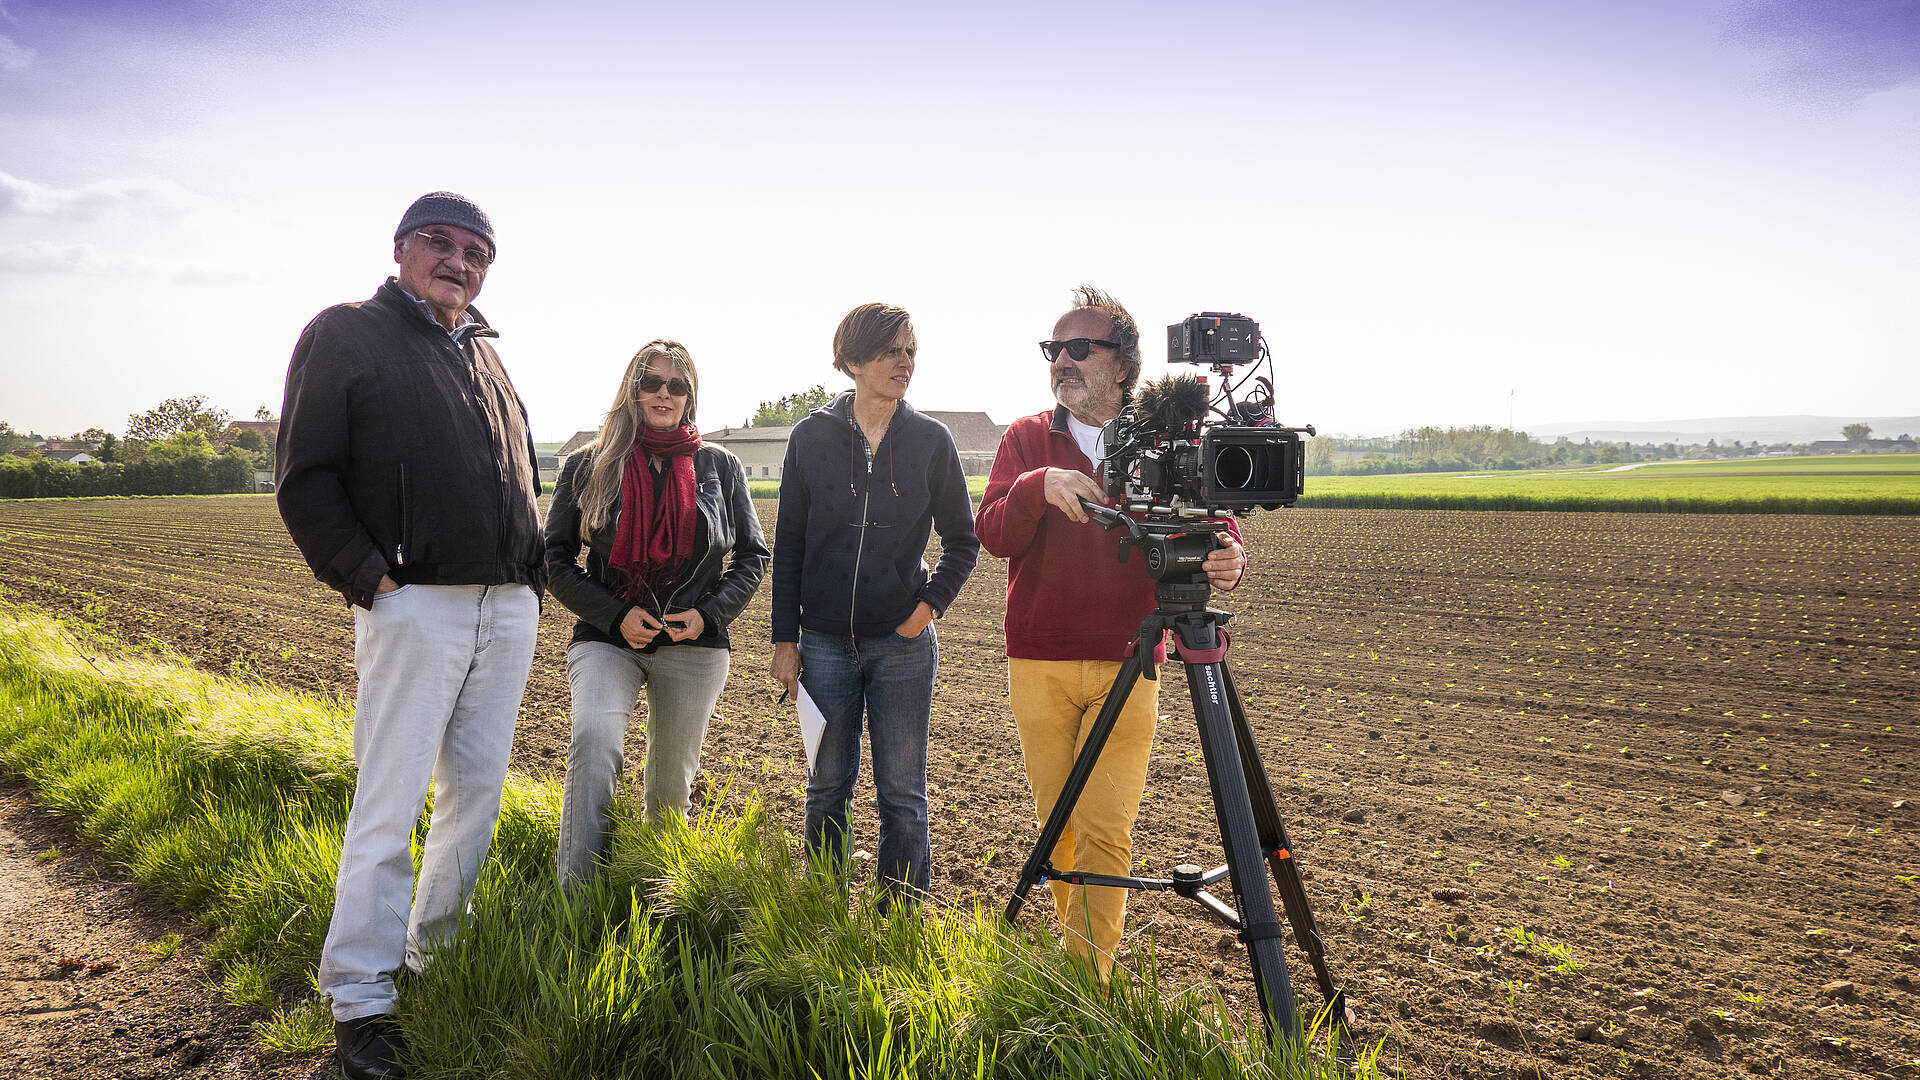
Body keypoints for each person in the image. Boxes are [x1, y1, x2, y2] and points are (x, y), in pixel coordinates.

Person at [275, 192, 544, 1080]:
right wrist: (372, 578)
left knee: (476, 796)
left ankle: (437, 960)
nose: (460, 261)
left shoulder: (487, 355)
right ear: (400, 248)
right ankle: (360, 998)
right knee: (389, 804)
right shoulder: (347, 332)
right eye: (442, 242)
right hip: (415, 603)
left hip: (504, 608)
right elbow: (304, 477)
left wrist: (531, 579)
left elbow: (518, 474)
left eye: (479, 252)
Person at [975, 286, 1247, 983]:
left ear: (1122, 366)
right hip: (1038, 661)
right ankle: (1080, 971)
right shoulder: (1027, 439)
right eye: (1053, 350)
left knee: (1104, 827)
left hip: (1133, 658)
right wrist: (1039, 484)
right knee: (1058, 823)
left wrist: (1230, 554)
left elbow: (1212, 516)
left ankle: (1087, 981)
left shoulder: (1168, 437)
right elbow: (994, 534)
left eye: (1078, 349)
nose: (1061, 362)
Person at [769, 302, 979, 908]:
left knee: (903, 792)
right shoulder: (810, 437)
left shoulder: (932, 441)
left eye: (911, 350)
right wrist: (787, 641)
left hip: (902, 646)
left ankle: (900, 917)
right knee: (827, 786)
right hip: (826, 644)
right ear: (853, 361)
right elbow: (789, 546)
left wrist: (926, 610)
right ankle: (824, 911)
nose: (904, 362)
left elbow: (963, 542)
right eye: (891, 351)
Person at [546, 340, 769, 888]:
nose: (664, 393)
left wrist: (709, 616)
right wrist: (615, 614)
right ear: (633, 390)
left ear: (691, 396)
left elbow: (753, 555)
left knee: (671, 783)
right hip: (606, 636)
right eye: (653, 382)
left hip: (692, 643)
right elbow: (553, 558)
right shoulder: (588, 464)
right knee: (594, 743)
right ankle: (574, 899)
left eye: (677, 385)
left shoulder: (721, 466)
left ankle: (657, 897)